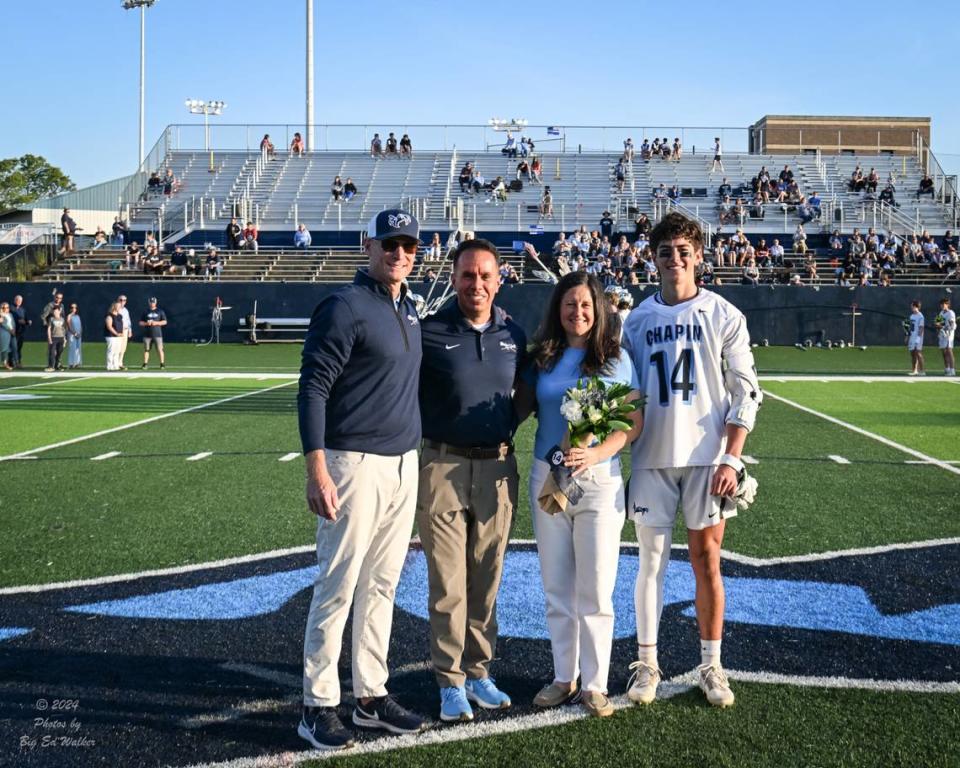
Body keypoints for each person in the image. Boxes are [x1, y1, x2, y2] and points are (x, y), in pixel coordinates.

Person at [297, 208, 428, 751]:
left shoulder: (408, 308)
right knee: (338, 584)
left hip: (403, 465)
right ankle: (318, 704)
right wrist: (317, 468)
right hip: (353, 465)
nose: (399, 254)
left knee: (382, 585)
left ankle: (370, 695)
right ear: (367, 247)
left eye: (409, 246)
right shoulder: (345, 305)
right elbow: (312, 389)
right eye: (390, 244)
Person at [621, 212, 761, 710]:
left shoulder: (723, 314)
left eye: (684, 251)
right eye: (665, 252)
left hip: (706, 461)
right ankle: (647, 663)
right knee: (649, 564)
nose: (675, 260)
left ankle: (711, 663)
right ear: (652, 258)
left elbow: (746, 392)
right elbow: (623, 392)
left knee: (706, 561)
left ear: (699, 255)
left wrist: (731, 457)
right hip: (652, 457)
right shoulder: (636, 320)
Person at [519, 271, 642, 718]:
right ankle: (562, 677)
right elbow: (521, 406)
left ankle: (594, 684)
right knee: (557, 586)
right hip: (548, 479)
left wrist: (596, 452)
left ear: (599, 309)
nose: (578, 312)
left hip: (598, 482)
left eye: (586, 305)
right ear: (558, 309)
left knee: (595, 589)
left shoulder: (616, 359)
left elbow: (632, 424)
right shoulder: (544, 359)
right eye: (570, 304)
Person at [417, 238, 527, 723]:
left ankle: (479, 669)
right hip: (442, 466)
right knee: (448, 582)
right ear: (454, 278)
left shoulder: (515, 334)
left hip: (499, 468)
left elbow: (527, 396)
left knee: (487, 578)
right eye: (467, 275)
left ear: (499, 279)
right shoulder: (429, 331)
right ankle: (449, 679)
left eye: (485, 275)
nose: (476, 284)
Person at [139, 297, 167, 370]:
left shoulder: (160, 311)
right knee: (146, 349)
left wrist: (156, 323)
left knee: (160, 349)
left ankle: (162, 364)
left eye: (153, 302)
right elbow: (140, 322)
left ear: (156, 302)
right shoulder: (145, 311)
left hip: (157, 334)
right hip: (147, 334)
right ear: (149, 302)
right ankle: (145, 364)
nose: (152, 303)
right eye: (151, 302)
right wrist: (146, 323)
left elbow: (165, 322)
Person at [936, 298, 956, 376]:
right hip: (942, 334)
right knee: (944, 352)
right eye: (941, 304)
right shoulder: (941, 313)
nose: (942, 305)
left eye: (944, 304)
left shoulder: (951, 313)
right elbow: (938, 323)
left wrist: (947, 330)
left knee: (949, 350)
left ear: (947, 305)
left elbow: (952, 324)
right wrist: (938, 329)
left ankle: (952, 370)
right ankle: (947, 369)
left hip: (949, 335)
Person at [906, 300, 925, 376]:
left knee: (918, 353)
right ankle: (914, 370)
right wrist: (907, 336)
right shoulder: (911, 316)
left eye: (912, 306)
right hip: (912, 337)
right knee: (913, 354)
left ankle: (922, 371)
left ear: (916, 306)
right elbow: (910, 327)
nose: (911, 307)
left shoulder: (921, 316)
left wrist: (918, 338)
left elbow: (921, 328)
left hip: (918, 337)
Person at [104, 301, 124, 371]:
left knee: (117, 351)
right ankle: (109, 366)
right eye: (118, 306)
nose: (119, 307)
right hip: (111, 336)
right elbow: (109, 326)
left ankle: (116, 365)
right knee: (111, 350)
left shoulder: (120, 316)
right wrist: (116, 333)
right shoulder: (109, 315)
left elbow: (121, 325)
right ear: (114, 307)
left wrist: (121, 333)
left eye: (120, 306)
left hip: (119, 336)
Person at [11, 295, 29, 368]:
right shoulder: (10, 308)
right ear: (15, 300)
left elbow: (26, 320)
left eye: (20, 301)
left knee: (19, 348)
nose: (19, 302)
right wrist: (18, 321)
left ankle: (18, 362)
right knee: (13, 348)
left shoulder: (23, 310)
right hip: (12, 332)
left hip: (21, 332)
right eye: (18, 300)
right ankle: (11, 362)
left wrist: (28, 322)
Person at [66, 303, 82, 369]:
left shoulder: (78, 316)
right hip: (72, 335)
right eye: (72, 307)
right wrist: (74, 333)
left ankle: (77, 363)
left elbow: (80, 326)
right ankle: (71, 363)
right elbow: (69, 326)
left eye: (75, 308)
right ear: (70, 308)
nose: (73, 309)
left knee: (78, 349)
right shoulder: (69, 316)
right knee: (72, 349)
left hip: (78, 335)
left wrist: (80, 333)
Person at [0, 302, 14, 370]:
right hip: (2, 333)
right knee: (2, 348)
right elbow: (3, 324)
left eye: (7, 307)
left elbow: (12, 323)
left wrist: (13, 329)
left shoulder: (10, 314)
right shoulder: (1, 315)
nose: (6, 309)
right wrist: (10, 329)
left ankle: (5, 363)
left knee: (6, 349)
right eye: (4, 308)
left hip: (9, 334)